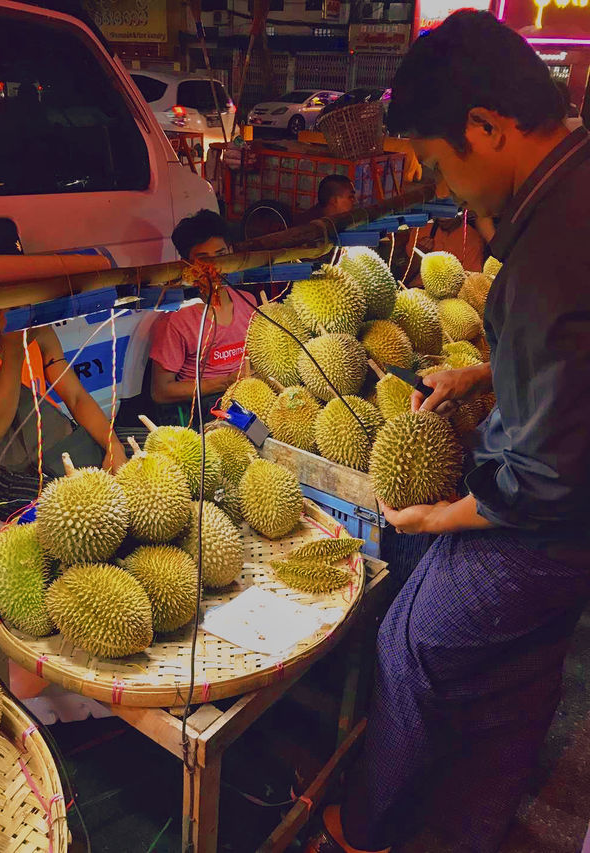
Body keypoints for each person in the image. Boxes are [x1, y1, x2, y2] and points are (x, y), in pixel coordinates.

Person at [306, 11, 590, 853]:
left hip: (548, 527)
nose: (444, 185)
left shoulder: (547, 253)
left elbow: (540, 481)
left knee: (409, 642)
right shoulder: (575, 186)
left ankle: (366, 828)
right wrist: (488, 371)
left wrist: (436, 519)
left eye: (438, 162)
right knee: (519, 678)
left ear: (488, 128)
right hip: (571, 531)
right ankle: (469, 828)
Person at [0, 218, 127, 520]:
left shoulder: (38, 330)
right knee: (83, 517)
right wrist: (15, 345)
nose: (15, 287)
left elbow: (75, 396)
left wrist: (115, 450)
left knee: (136, 459)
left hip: (44, 445)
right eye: (2, 278)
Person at [149, 209, 256, 423]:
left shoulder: (248, 301)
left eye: (221, 255)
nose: (215, 267)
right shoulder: (176, 319)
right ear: (187, 265)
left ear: (232, 252)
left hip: (251, 395)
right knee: (256, 431)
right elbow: (160, 391)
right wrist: (224, 383)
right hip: (207, 405)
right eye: (204, 259)